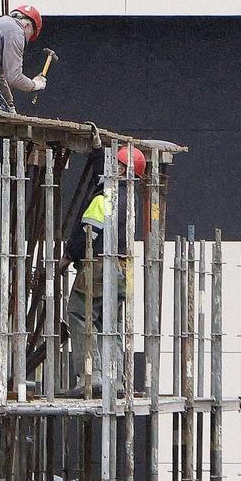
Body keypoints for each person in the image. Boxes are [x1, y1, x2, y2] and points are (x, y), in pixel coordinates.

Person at [62, 124, 146, 394]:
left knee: (79, 314)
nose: (110, 167)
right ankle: (117, 378)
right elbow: (103, 177)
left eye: (115, 164)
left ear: (122, 170)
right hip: (123, 269)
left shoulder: (106, 199)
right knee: (110, 324)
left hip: (100, 266)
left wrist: (68, 256)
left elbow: (87, 233)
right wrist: (98, 150)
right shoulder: (129, 197)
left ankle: (92, 375)